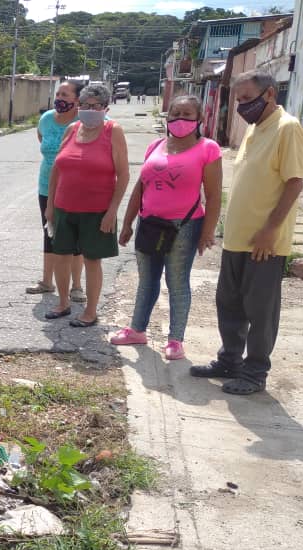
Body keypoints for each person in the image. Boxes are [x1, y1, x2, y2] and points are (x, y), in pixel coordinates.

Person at [190, 70, 303, 394]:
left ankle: (255, 372)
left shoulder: (287, 128)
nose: (241, 106)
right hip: (237, 239)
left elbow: (294, 183)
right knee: (229, 303)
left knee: (260, 309)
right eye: (238, 100)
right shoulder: (255, 130)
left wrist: (271, 230)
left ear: (269, 94)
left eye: (247, 99)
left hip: (264, 242)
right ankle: (230, 361)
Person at [114, 95, 222, 360]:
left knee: (177, 282)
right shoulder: (155, 146)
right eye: (175, 114)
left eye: (187, 114)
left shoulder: (208, 149)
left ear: (198, 119)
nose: (180, 120)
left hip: (184, 227)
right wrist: (127, 222)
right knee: (146, 280)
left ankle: (175, 339)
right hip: (149, 224)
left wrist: (207, 232)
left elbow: (214, 194)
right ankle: (137, 330)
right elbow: (141, 186)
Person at [45, 82, 129, 326]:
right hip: (64, 207)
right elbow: (57, 170)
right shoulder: (72, 129)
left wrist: (112, 211)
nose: (88, 110)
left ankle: (90, 311)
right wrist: (50, 206)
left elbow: (123, 174)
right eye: (84, 105)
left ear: (105, 107)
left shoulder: (113, 131)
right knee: (61, 255)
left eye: (95, 106)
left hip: (96, 210)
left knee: (92, 260)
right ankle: (63, 303)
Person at [29, 79, 85, 302]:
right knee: (49, 231)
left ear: (77, 99)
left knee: (75, 237)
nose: (60, 99)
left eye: (65, 95)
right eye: (58, 94)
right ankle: (46, 282)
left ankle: (77, 287)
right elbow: (42, 140)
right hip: (46, 185)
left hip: (77, 188)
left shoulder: (86, 120)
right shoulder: (46, 119)